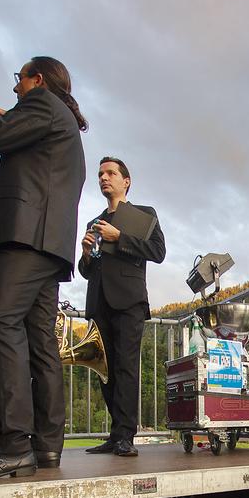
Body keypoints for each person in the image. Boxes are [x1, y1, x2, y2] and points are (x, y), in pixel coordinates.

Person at [0, 57, 86, 481]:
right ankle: (46, 446)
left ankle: (11, 446)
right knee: (40, 341)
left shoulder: (41, 103)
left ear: (38, 80)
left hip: (26, 237)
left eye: (19, 80)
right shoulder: (58, 116)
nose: (15, 89)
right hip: (49, 244)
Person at [79, 157, 166, 457]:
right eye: (101, 173)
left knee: (127, 368)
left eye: (111, 173)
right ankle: (116, 434)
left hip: (129, 302)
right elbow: (86, 271)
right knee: (106, 370)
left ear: (126, 181)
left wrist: (121, 238)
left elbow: (158, 252)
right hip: (99, 302)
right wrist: (86, 253)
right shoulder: (95, 221)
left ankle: (127, 436)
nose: (104, 177)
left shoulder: (144, 214)